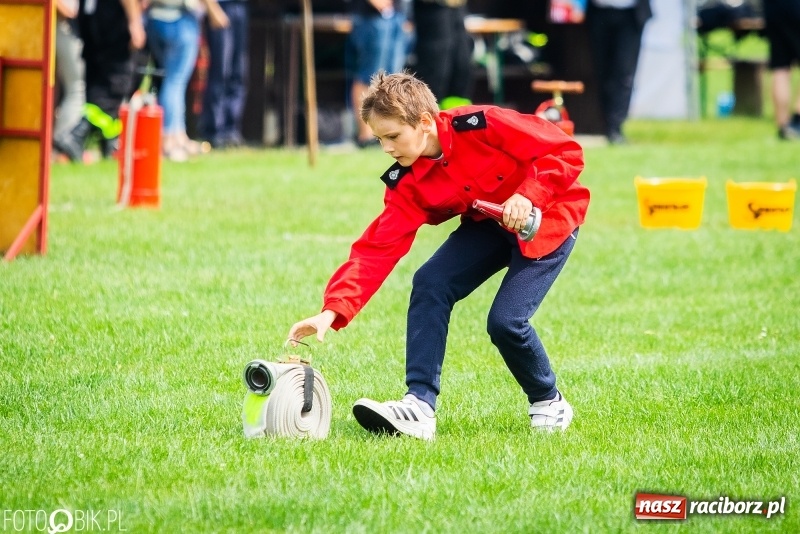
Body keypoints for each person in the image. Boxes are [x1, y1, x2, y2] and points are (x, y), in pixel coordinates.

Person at [287, 72, 589, 440]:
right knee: (431, 282)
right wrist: (332, 310)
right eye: (380, 139)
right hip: (488, 224)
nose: (387, 148)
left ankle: (548, 402)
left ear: (426, 122)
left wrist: (528, 196)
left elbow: (564, 150)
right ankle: (419, 406)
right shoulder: (407, 181)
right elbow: (376, 250)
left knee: (506, 322)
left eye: (393, 136)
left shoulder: (483, 124)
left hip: (549, 219)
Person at [53, 0, 146, 162]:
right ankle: (75, 136)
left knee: (96, 82)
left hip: (90, 16)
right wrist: (135, 21)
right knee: (114, 85)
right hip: (112, 19)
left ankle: (109, 145)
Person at [145, 0, 229, 161]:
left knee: (171, 81)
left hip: (155, 18)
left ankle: (179, 136)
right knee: (175, 82)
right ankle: (169, 139)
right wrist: (214, 11)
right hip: (180, 20)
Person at [585, 0, 652, 145]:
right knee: (602, 73)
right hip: (599, 11)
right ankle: (604, 124)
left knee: (624, 74)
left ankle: (615, 127)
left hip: (630, 13)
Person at [347, 0, 409, 148]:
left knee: (393, 80)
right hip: (370, 16)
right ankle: (366, 135)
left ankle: (388, 133)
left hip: (396, 15)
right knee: (368, 77)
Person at [201, 0, 249, 149]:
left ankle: (231, 130)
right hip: (221, 6)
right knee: (220, 72)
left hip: (240, 6)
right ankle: (214, 130)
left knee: (238, 73)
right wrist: (212, 9)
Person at [411, 0, 473, 109]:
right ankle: (431, 111)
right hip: (432, 9)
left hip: (456, 9)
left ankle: (458, 115)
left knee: (462, 64)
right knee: (437, 68)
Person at [53, 0, 86, 161]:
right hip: (64, 26)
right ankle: (63, 142)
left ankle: (60, 144)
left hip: (64, 27)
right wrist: (67, 10)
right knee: (76, 90)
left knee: (67, 89)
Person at [763, 0, 800, 140]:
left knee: (780, 67)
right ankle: (797, 122)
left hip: (773, 8)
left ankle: (782, 125)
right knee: (780, 68)